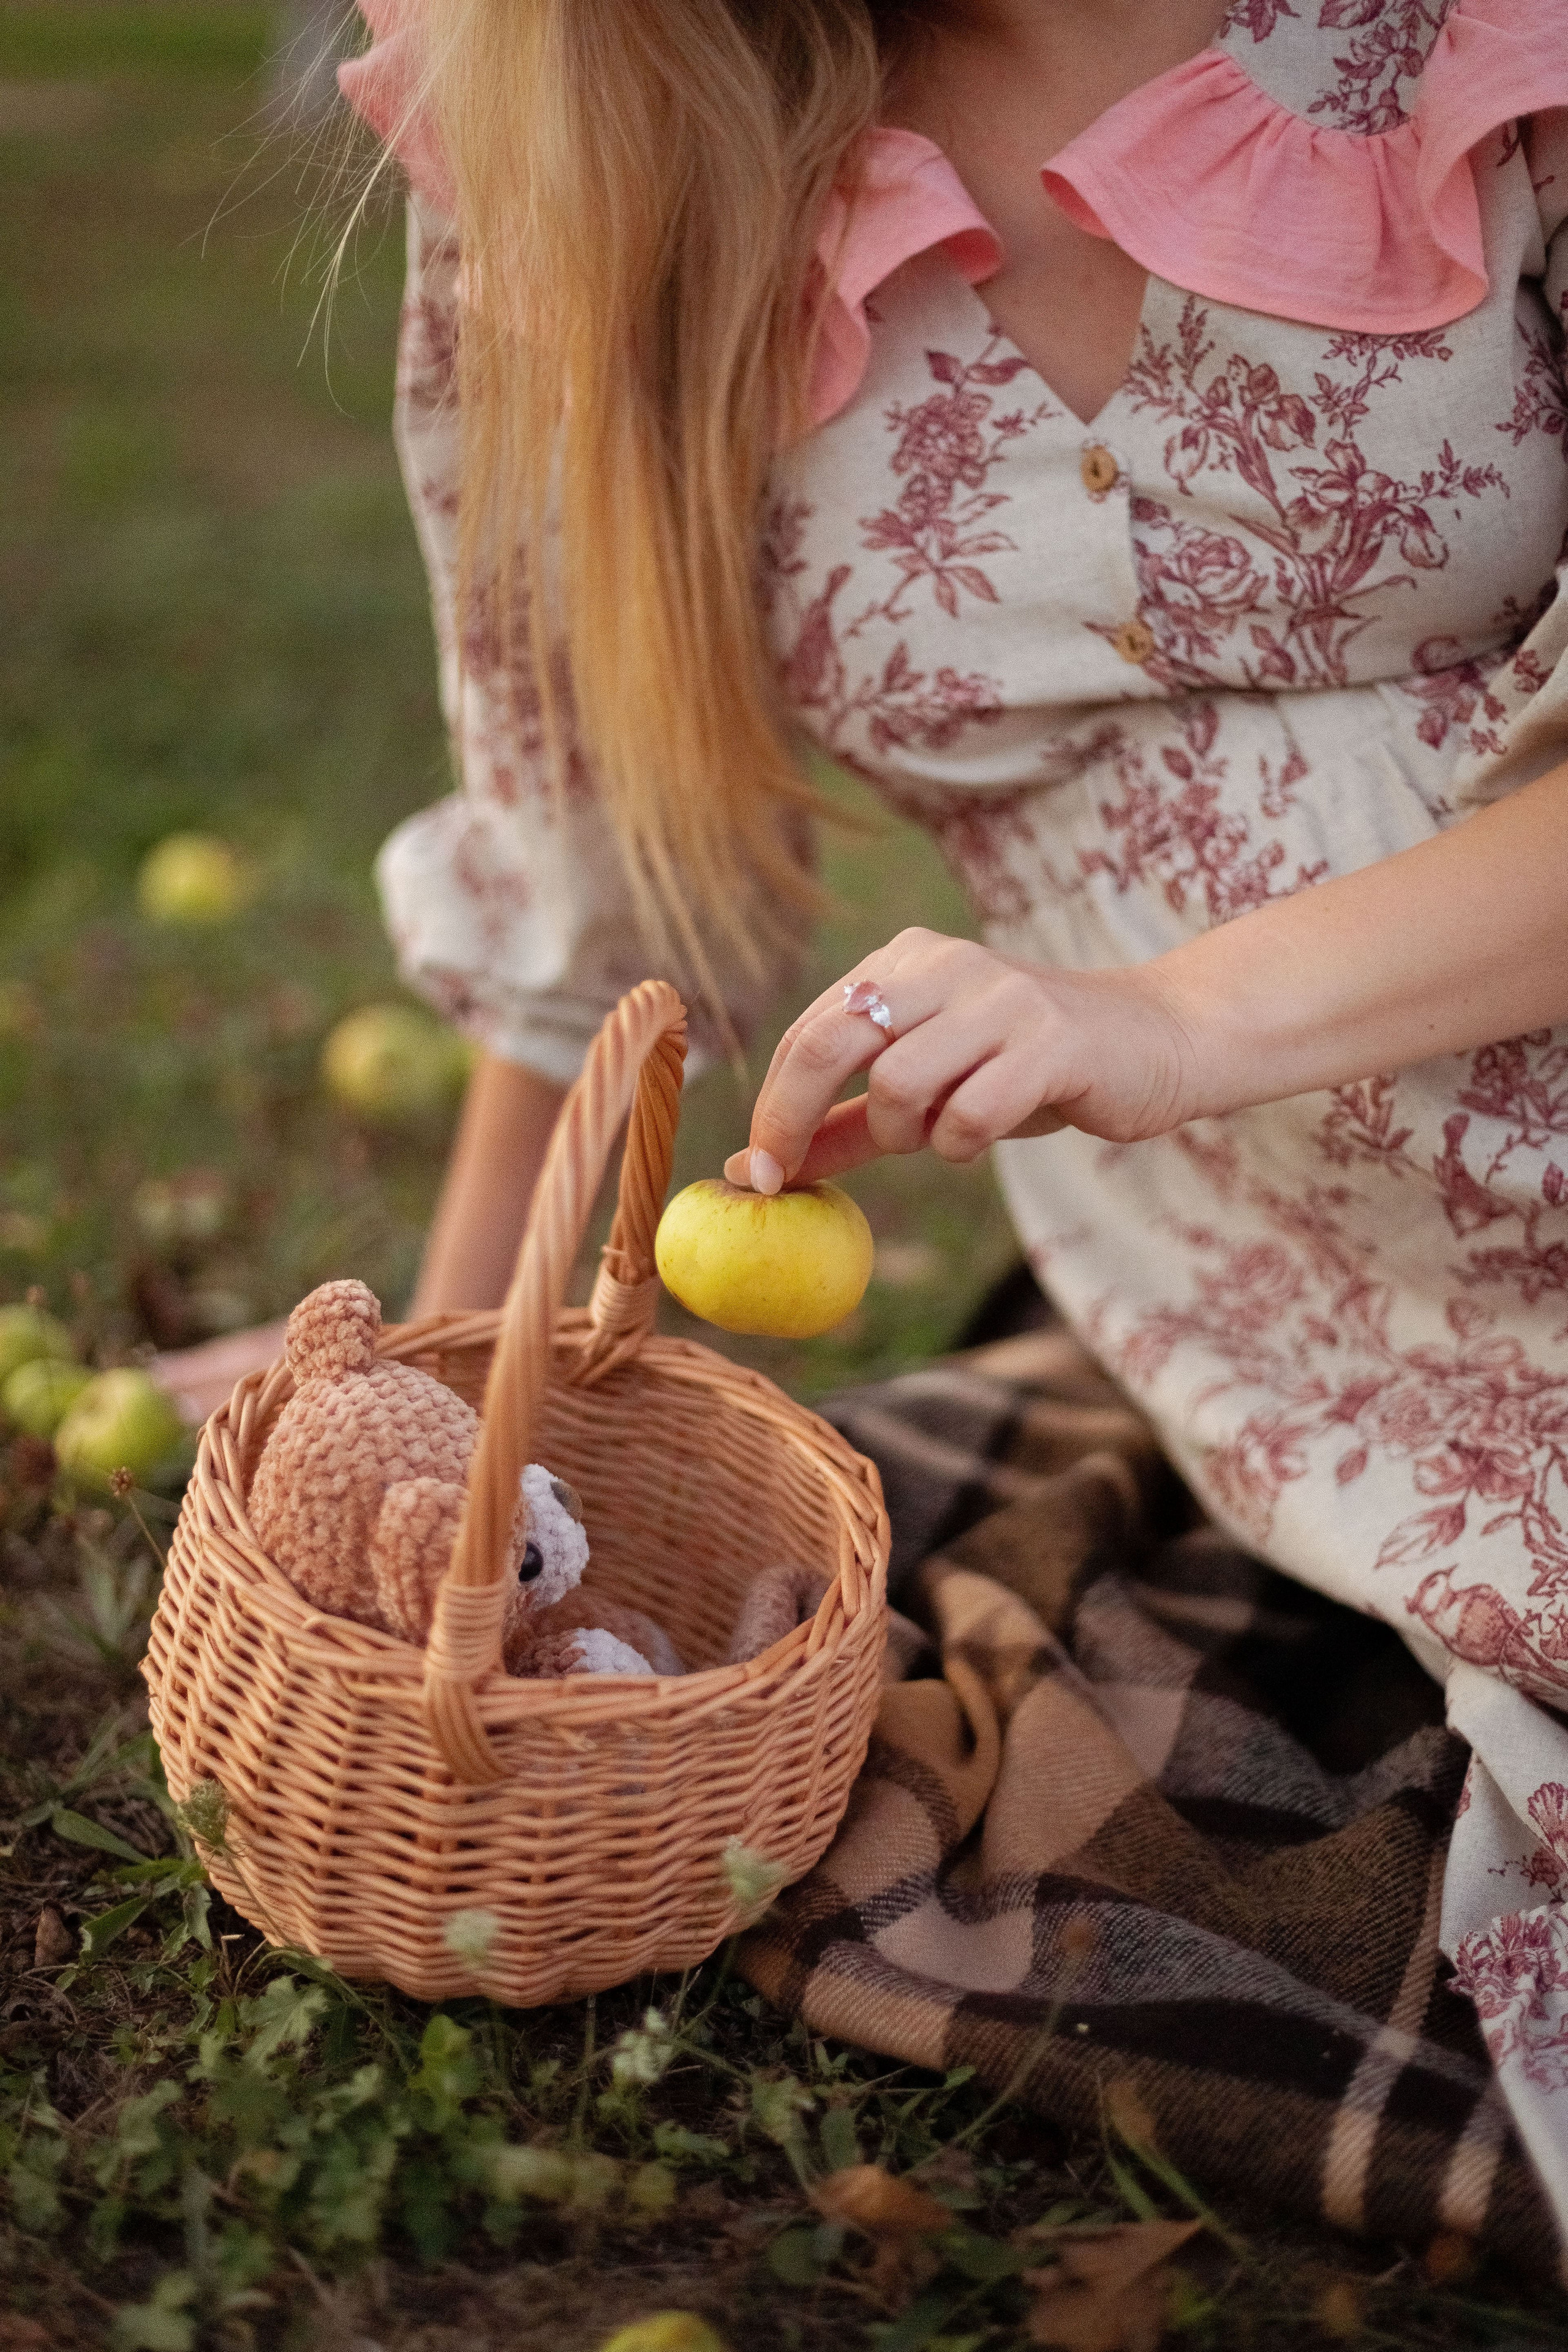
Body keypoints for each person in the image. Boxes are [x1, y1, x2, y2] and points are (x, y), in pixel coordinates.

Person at [161, 0, 1568, 2265]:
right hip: (1295, 1294)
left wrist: (1167, 1015)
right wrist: (447, 1391)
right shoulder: (613, 112)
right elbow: (594, 836)